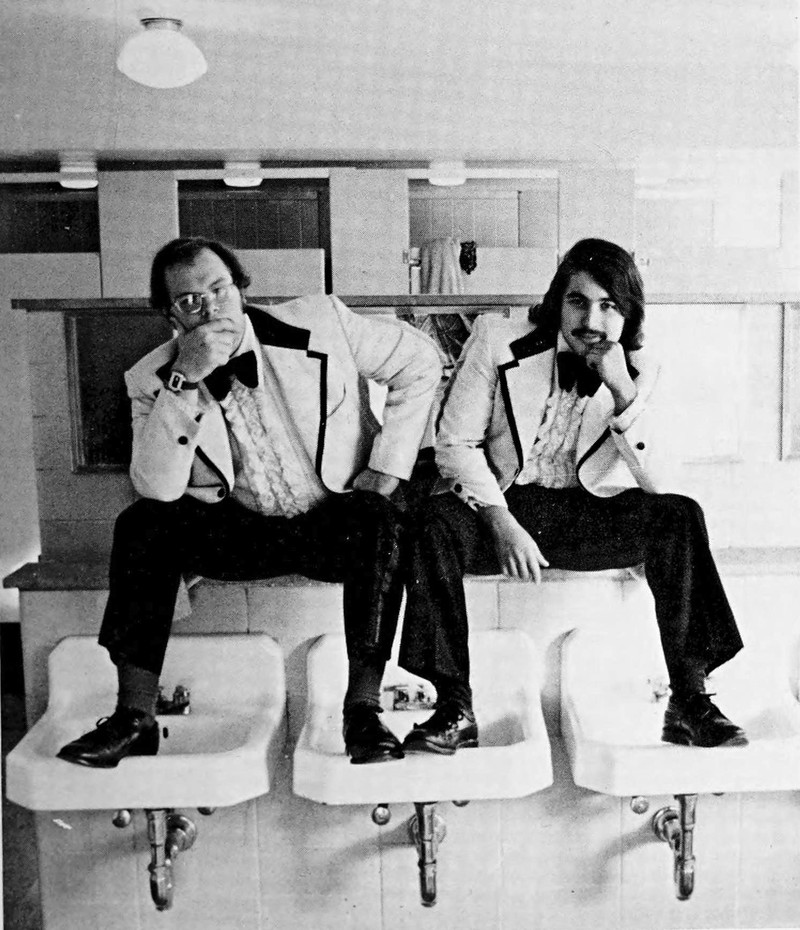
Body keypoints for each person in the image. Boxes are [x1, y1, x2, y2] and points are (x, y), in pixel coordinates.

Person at [57, 237, 442, 768]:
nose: (211, 308)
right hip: (242, 532)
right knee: (142, 522)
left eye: (219, 289)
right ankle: (134, 717)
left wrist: (387, 466)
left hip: (333, 524)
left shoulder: (321, 321)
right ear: (171, 316)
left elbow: (420, 362)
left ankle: (362, 711)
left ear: (241, 289)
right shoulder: (150, 379)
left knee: (381, 514)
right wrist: (183, 382)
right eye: (190, 301)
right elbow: (157, 487)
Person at [398, 237, 747, 755]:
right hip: (503, 503)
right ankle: (454, 706)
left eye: (609, 306)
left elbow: (661, 481)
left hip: (586, 512)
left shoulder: (645, 369)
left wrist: (623, 392)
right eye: (578, 301)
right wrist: (500, 519)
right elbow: (455, 444)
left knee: (679, 515)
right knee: (431, 521)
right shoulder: (497, 340)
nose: (591, 320)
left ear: (628, 314)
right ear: (557, 301)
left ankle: (690, 700)